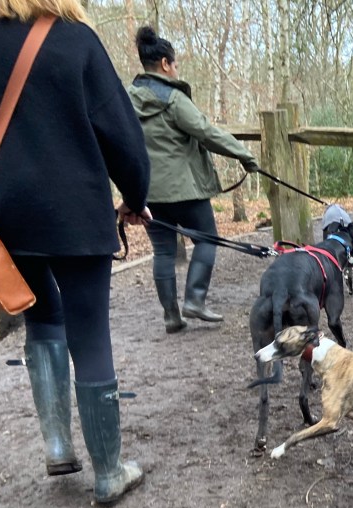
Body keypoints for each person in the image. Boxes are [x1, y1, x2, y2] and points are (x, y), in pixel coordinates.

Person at [0, 0, 151, 504]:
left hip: (4, 215)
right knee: (91, 334)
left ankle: (58, 444)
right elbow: (121, 135)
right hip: (76, 211)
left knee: (42, 311)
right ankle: (107, 472)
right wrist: (135, 198)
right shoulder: (76, 40)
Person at [128, 26, 259, 333]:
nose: (176, 70)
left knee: (162, 251)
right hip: (185, 190)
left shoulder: (126, 99)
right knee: (206, 238)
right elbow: (206, 132)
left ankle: (171, 316)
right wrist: (244, 155)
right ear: (164, 64)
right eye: (175, 65)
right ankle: (195, 300)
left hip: (148, 192)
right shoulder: (172, 99)